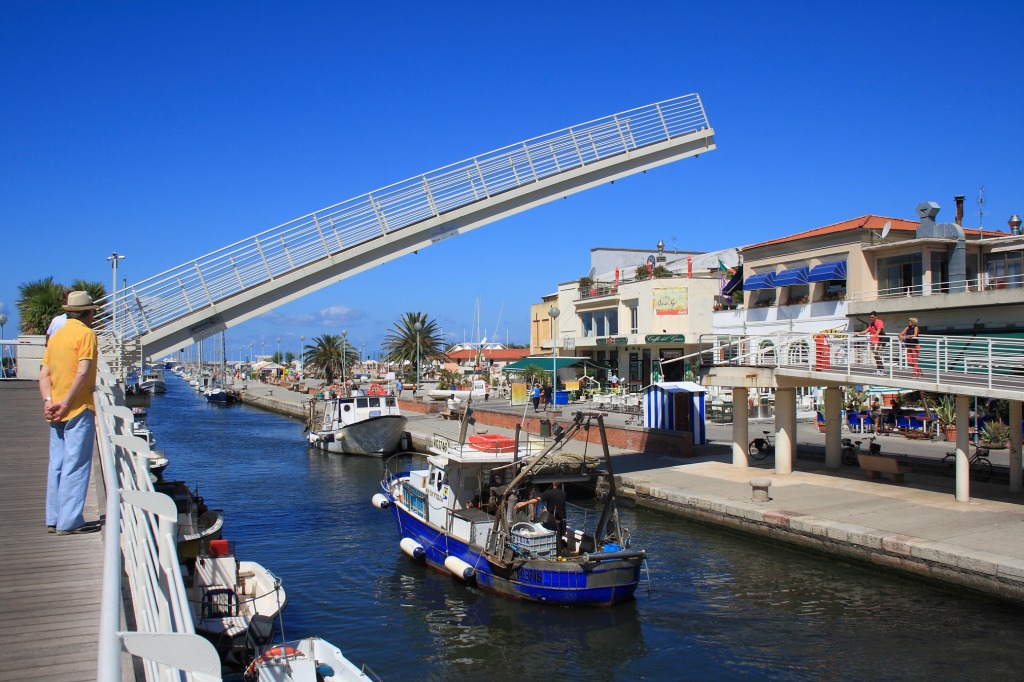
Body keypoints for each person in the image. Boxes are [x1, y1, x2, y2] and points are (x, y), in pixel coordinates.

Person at [38, 291, 101, 535]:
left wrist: (49, 401)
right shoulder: (86, 334)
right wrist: (65, 403)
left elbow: (44, 374)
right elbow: (83, 372)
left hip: (54, 409)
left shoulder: (57, 336)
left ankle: (53, 518)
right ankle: (70, 521)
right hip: (77, 407)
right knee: (76, 464)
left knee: (57, 463)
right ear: (89, 313)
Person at [516, 482, 567, 556]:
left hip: (553, 519)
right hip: (562, 519)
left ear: (553, 484)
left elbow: (537, 499)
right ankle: (560, 551)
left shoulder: (548, 493)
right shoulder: (563, 493)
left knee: (543, 528)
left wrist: (524, 503)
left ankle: (554, 552)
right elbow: (558, 503)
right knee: (559, 536)